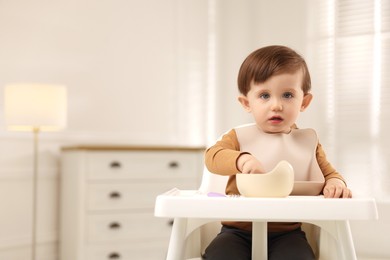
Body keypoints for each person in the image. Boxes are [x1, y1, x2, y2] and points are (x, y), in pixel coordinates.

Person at [202, 45, 352, 260]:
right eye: (264, 95)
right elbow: (212, 157)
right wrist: (241, 159)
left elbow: (330, 174)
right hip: (238, 230)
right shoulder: (238, 137)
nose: (276, 105)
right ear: (247, 103)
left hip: (287, 232)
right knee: (222, 255)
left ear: (305, 102)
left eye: (288, 95)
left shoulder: (308, 142)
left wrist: (336, 184)